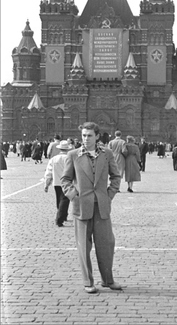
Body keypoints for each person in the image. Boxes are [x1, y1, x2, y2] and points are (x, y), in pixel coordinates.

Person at [60, 122, 124, 293]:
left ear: (97, 136)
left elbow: (116, 176)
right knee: (83, 246)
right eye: (83, 135)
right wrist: (73, 195)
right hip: (82, 207)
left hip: (102, 206)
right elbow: (65, 179)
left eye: (89, 135)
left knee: (106, 244)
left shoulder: (107, 154)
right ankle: (88, 282)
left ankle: (108, 280)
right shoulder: (73, 155)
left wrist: (109, 195)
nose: (86, 139)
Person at [43, 140, 74, 227]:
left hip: (57, 182)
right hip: (67, 182)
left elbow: (48, 173)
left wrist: (46, 184)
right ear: (68, 150)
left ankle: (63, 215)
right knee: (65, 199)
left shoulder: (53, 159)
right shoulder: (69, 159)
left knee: (59, 199)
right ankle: (59, 218)